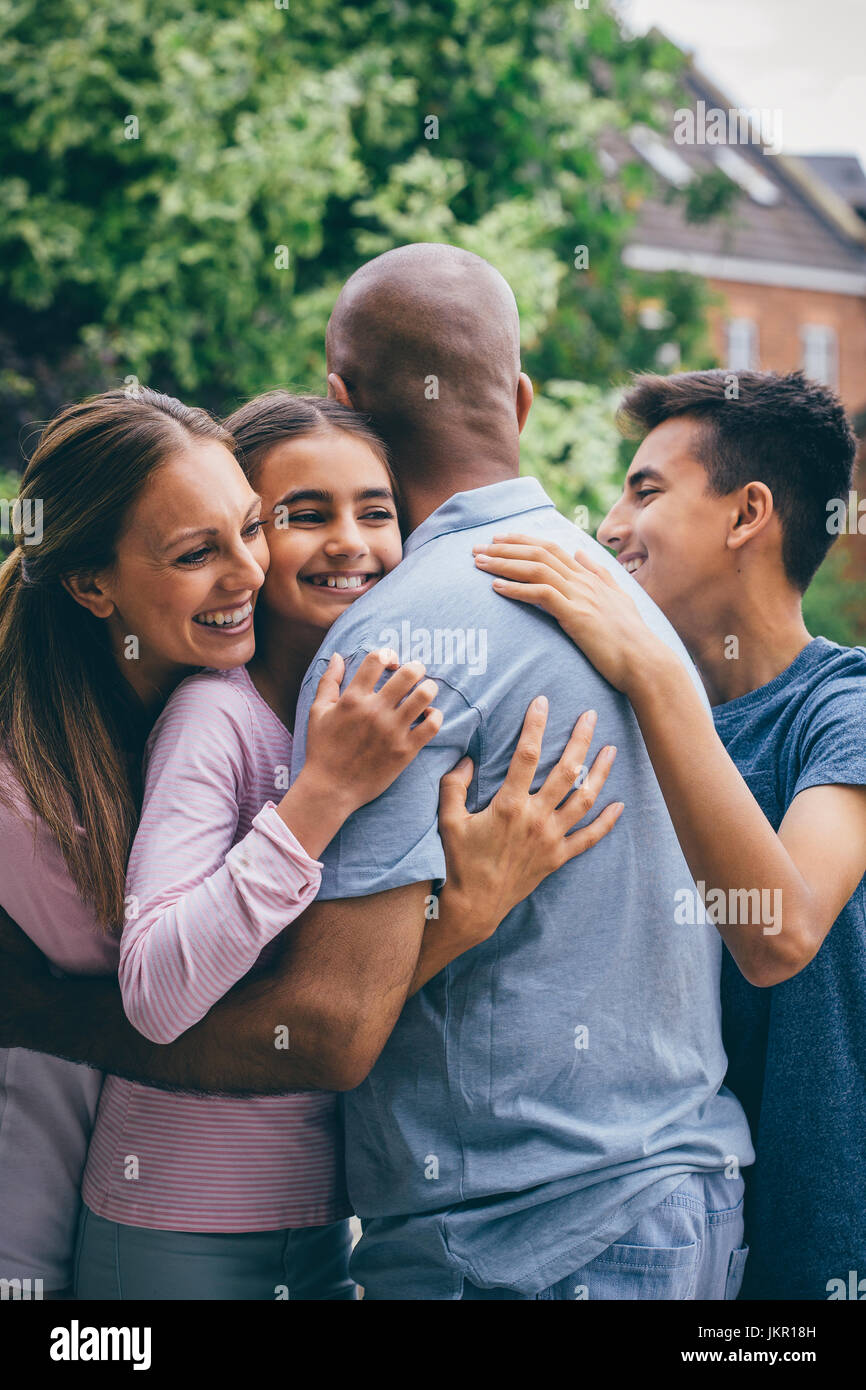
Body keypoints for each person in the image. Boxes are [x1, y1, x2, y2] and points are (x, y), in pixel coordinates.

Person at [0, 388, 619, 1300]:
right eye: (198, 550)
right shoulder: (65, 785)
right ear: (95, 585)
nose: (247, 571)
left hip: (304, 1217)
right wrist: (341, 818)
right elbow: (180, 1003)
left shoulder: (292, 715)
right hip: (89, 1204)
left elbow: (287, 1001)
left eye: (249, 528)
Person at [282, 242, 754, 1300]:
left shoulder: (392, 636)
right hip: (681, 1207)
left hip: (521, 1243)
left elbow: (328, 1022)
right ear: (525, 400)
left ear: (342, 402)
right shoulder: (620, 594)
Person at [472, 368, 866, 1300]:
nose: (609, 525)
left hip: (820, 1254)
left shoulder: (841, 708)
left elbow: (780, 931)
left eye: (646, 489)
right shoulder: (614, 710)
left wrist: (649, 670)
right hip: (670, 1244)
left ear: (747, 514)